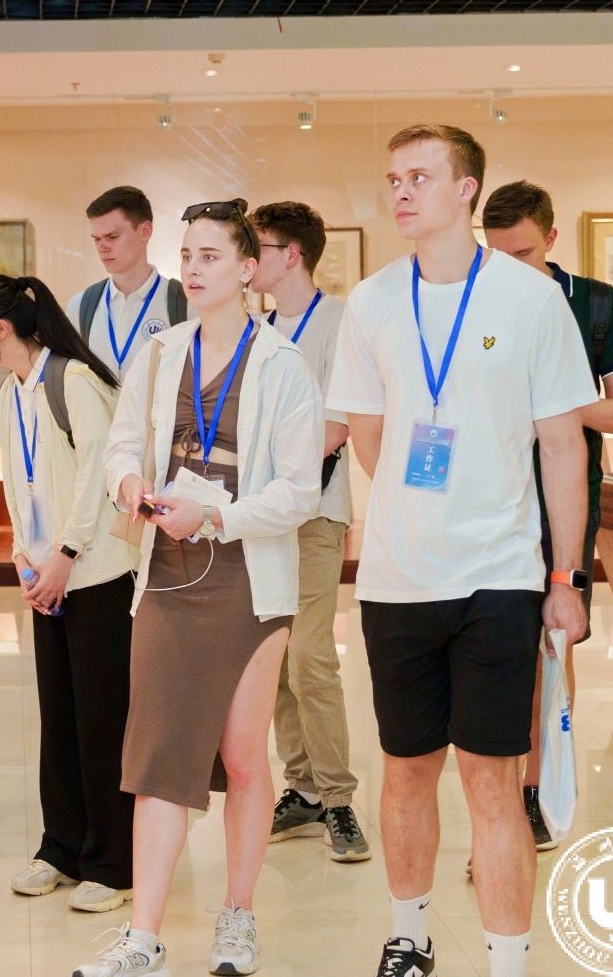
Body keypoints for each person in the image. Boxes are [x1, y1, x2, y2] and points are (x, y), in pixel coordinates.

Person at [327, 127, 595, 977]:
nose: (402, 192)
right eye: (393, 178)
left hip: (500, 577)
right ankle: (409, 937)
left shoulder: (529, 299)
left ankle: (507, 961)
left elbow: (563, 446)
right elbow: (368, 434)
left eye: (420, 176)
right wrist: (422, 510)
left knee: (492, 777)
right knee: (405, 769)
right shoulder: (372, 301)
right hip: (397, 579)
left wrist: (565, 575)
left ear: (467, 188)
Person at [81, 198, 321, 977]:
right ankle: (142, 936)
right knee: (159, 756)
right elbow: (121, 446)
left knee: (244, 758)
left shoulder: (282, 364)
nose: (192, 268)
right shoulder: (159, 353)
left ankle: (238, 917)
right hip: (167, 574)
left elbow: (299, 492)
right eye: (187, 255)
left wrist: (215, 516)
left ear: (248, 269)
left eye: (211, 256)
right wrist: (127, 485)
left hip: (249, 580)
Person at [0, 273, 138, 914]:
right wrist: (22, 556)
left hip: (95, 576)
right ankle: (61, 847)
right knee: (58, 716)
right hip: (47, 578)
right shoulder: (10, 394)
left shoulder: (74, 381)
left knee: (102, 719)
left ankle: (111, 863)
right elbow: (16, 482)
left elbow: (98, 479)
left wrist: (66, 554)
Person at [479, 180, 613, 851]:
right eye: (497, 254)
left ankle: (538, 790)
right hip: (487, 500)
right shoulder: (475, 300)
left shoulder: (597, 306)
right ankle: (499, 798)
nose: (508, 268)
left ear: (550, 238)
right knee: (492, 651)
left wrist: (552, 401)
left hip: (564, 498)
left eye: (521, 253)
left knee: (553, 642)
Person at [247, 200, 369, 864]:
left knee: (311, 655)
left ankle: (339, 797)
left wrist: (278, 470)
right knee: (275, 659)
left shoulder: (341, 323)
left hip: (316, 512)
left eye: (258, 248)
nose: (248, 260)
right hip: (263, 517)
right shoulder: (255, 330)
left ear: (291, 255)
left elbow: (340, 422)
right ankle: (302, 788)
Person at [77, 186, 187, 381]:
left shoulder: (184, 303)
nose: (103, 247)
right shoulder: (80, 306)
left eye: (112, 237)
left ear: (145, 231)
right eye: (96, 239)